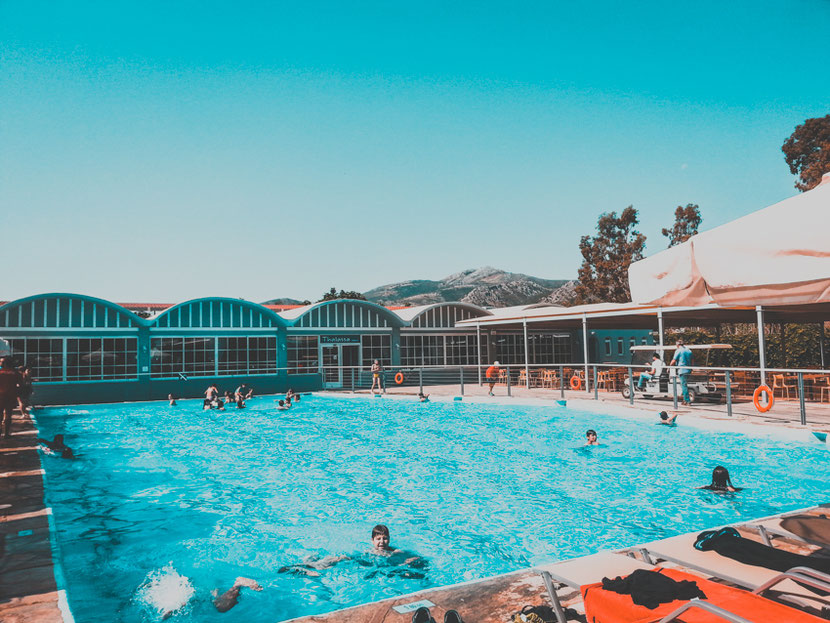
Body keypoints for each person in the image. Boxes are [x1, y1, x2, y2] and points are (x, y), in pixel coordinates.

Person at [278, 524, 423, 577]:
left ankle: (309, 563)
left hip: (366, 563)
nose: (381, 542)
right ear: (372, 541)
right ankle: (302, 566)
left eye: (384, 538)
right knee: (330, 563)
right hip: (357, 560)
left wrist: (410, 560)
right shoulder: (369, 551)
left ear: (389, 539)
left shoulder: (395, 551)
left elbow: (405, 556)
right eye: (378, 539)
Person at [0, 357, 23, 439]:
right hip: (10, 396)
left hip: (1, 396)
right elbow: (21, 386)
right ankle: (6, 434)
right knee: (8, 415)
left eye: (1, 362)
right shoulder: (16, 373)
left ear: (4, 363)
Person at [670, 339, 694, 406]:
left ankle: (687, 400)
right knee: (685, 385)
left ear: (677, 345)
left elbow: (674, 360)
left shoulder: (678, 351)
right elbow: (692, 360)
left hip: (682, 370)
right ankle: (685, 400)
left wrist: (669, 367)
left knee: (684, 386)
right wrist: (691, 368)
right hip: (688, 370)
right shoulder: (689, 350)